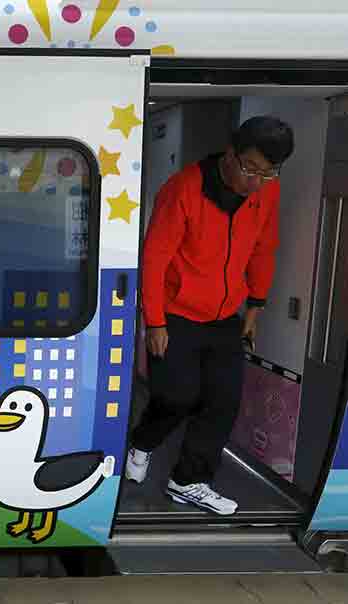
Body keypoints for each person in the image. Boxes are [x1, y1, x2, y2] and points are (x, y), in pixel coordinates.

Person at [125, 115, 294, 515]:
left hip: (224, 316)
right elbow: (154, 257)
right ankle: (144, 441)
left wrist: (256, 304)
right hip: (175, 313)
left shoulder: (267, 193)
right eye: (251, 169)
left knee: (223, 402)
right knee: (176, 396)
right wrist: (155, 320)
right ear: (231, 155)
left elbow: (263, 248)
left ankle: (188, 480)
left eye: (268, 174)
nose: (256, 182)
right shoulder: (183, 189)